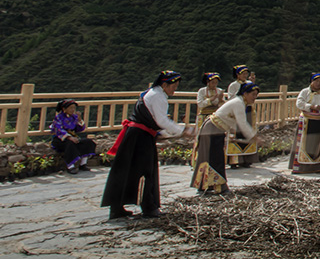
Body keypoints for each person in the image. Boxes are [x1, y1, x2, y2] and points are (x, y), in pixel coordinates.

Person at [101, 71, 194, 219]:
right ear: (164, 84)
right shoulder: (159, 97)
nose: (174, 90)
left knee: (125, 170)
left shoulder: (152, 92)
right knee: (145, 171)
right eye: (173, 86)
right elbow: (161, 121)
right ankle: (149, 207)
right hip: (140, 138)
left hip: (136, 134)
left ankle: (117, 207)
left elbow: (154, 120)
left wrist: (164, 134)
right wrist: (183, 130)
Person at [191, 81, 260, 194]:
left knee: (214, 158)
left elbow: (233, 123)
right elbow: (242, 123)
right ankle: (216, 186)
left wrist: (233, 134)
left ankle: (210, 186)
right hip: (211, 129)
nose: (254, 98)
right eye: (253, 94)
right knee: (213, 158)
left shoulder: (240, 103)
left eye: (256, 95)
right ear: (245, 94)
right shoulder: (238, 103)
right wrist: (254, 137)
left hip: (216, 130)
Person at [289, 73, 320, 173]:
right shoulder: (304, 92)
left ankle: (317, 167)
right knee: (303, 145)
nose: (318, 84)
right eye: (316, 81)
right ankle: (300, 168)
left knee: (318, 146)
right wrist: (311, 106)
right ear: (311, 82)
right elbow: (299, 103)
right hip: (306, 121)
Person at [50, 99, 96, 174]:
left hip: (73, 137)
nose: (73, 110)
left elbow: (80, 129)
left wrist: (79, 120)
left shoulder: (74, 117)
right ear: (64, 109)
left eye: (74, 108)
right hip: (60, 140)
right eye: (71, 108)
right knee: (70, 144)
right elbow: (59, 130)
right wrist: (69, 137)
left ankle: (83, 164)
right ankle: (70, 166)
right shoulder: (58, 117)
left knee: (88, 142)